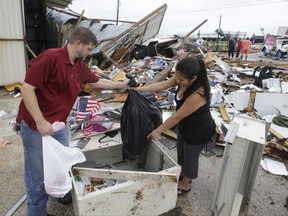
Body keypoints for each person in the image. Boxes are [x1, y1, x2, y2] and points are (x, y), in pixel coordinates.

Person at [16, 27, 129, 216]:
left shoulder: (79, 65)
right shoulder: (49, 58)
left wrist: (120, 85)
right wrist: (40, 121)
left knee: (61, 162)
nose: (89, 53)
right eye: (89, 49)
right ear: (78, 44)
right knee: (36, 174)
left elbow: (96, 82)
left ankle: (58, 191)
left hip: (58, 125)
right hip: (36, 126)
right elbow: (27, 89)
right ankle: (36, 212)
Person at [135, 56, 216, 195]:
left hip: (198, 130)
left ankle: (186, 184)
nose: (177, 81)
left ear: (194, 78)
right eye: (176, 77)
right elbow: (161, 85)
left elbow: (177, 116)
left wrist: (158, 130)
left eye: (181, 80)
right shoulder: (181, 77)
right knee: (181, 153)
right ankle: (183, 174)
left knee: (190, 157)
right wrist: (140, 89)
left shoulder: (198, 93)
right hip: (185, 125)